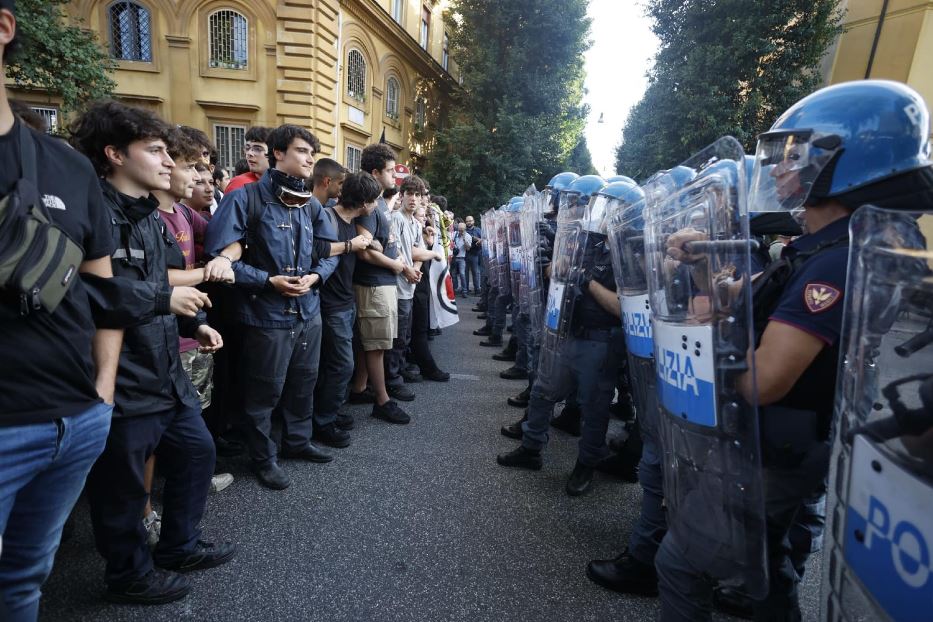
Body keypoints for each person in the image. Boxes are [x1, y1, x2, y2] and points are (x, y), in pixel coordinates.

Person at [653, 80, 930, 621]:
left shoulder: (834, 263)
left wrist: (702, 334)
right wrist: (707, 267)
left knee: (681, 565)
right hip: (795, 441)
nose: (778, 170)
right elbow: (759, 299)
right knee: (764, 565)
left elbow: (765, 380)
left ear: (843, 163)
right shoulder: (838, 246)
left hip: (776, 447)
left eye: (793, 157)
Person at [70, 100, 235, 605]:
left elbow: (162, 281)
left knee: (197, 452)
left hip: (165, 368)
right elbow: (96, 292)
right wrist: (168, 300)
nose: (169, 162)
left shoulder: (149, 215)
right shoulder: (93, 211)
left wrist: (196, 322)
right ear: (115, 154)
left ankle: (178, 546)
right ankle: (127, 574)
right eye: (157, 150)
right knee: (121, 488)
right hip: (123, 374)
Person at [0, 4, 119, 617]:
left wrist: (100, 395)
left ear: (3, 27)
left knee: (23, 581)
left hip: (74, 421)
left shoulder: (65, 165)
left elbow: (103, 294)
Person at [205, 124, 337, 490]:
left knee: (304, 382)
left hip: (308, 312)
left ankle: (297, 442)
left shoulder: (311, 204)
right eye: (301, 150)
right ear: (278, 153)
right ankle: (263, 458)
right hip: (265, 315)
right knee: (264, 391)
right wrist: (267, 281)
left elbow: (328, 253)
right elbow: (219, 257)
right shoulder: (245, 198)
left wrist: (315, 277)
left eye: (312, 152)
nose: (310, 158)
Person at [498, 175, 632, 496]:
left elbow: (623, 308)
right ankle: (531, 448)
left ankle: (586, 463)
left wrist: (587, 282)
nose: (600, 212)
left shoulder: (630, 253)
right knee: (544, 390)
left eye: (609, 206)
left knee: (594, 407)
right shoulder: (586, 240)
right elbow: (556, 271)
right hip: (566, 330)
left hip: (601, 340)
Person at [348, 143, 412, 423]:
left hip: (383, 282)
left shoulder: (380, 204)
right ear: (375, 173)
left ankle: (360, 387)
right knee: (376, 345)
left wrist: (400, 266)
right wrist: (397, 265)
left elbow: (380, 244)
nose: (394, 177)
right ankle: (382, 400)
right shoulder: (368, 207)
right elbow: (364, 250)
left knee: (372, 342)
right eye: (389, 171)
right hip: (373, 284)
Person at [224, 126, 271, 193]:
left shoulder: (284, 185)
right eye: (247, 148)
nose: (249, 153)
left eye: (257, 149)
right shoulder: (239, 184)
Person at [451, 221, 471, 295]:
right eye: (459, 229)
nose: (460, 231)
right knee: (453, 274)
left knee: (462, 274)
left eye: (462, 229)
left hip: (462, 258)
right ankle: (455, 289)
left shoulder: (468, 236)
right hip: (454, 257)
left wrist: (464, 239)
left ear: (465, 229)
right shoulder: (455, 234)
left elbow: (468, 248)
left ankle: (464, 290)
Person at [464, 214, 482, 295]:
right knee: (465, 273)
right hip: (465, 254)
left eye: (470, 221)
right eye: (467, 221)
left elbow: (484, 239)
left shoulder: (478, 230)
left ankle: (477, 290)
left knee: (476, 272)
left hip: (476, 254)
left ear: (473, 221)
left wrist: (478, 240)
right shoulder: (463, 230)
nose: (469, 222)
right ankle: (466, 290)